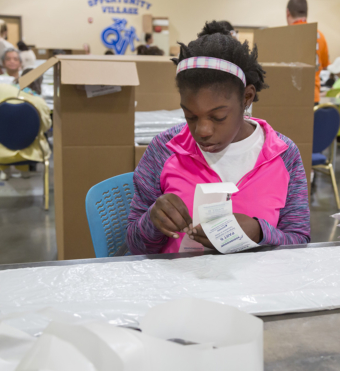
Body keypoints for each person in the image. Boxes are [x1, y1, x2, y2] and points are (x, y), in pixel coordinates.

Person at [126, 21, 310, 255]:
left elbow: (301, 244)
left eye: (218, 117)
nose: (202, 130)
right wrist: (152, 222)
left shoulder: (283, 155)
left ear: (247, 98)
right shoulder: (165, 150)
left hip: (256, 287)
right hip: (178, 287)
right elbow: (134, 244)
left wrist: (260, 233)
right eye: (190, 116)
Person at [0, 82, 51, 180]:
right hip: (32, 154)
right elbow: (45, 127)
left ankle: (4, 170)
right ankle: (24, 171)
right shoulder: (40, 102)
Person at [286, 0, 329, 105]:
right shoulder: (320, 36)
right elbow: (324, 65)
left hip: (291, 96)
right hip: (314, 97)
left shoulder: (285, 35)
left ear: (288, 13)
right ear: (306, 13)